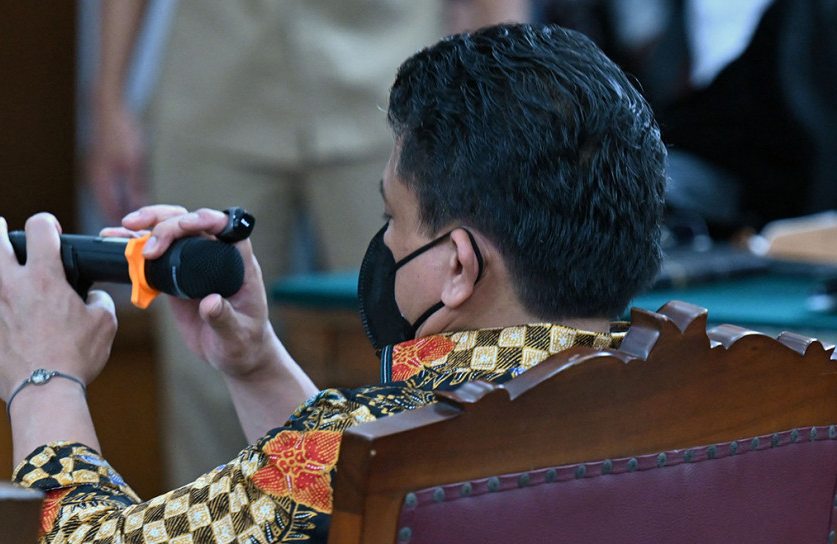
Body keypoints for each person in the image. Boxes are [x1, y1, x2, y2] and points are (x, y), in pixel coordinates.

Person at [0, 23, 665, 544]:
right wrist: (254, 360)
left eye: (392, 218)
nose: (387, 246)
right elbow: (348, 507)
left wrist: (45, 374)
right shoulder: (679, 406)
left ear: (458, 267)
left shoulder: (380, 450)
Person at [87, 0, 530, 494]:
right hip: (215, 77)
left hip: (388, 77)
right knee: (203, 356)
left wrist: (500, 104)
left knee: (425, 341)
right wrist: (107, 100)